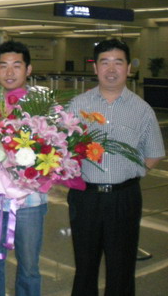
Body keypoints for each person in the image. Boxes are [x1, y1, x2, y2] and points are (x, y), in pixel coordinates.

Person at [66, 39, 165, 296]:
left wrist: (128, 173)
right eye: (105, 62)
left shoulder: (142, 110)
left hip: (124, 198)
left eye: (118, 62)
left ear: (128, 68)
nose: (111, 69)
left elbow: (154, 153)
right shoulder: (77, 105)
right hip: (85, 197)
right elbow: (61, 148)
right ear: (95, 68)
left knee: (122, 267)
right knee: (84, 266)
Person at [0, 40, 47, 296]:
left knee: (29, 266)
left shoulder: (44, 107)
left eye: (16, 65)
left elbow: (55, 152)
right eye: (3, 65)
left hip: (30, 200)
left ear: (28, 69)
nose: (9, 72)